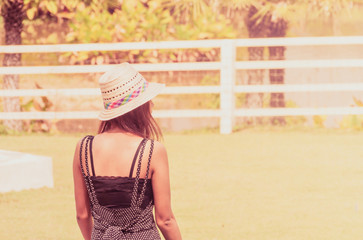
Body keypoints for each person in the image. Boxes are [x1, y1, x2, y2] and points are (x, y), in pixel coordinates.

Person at [73, 62, 182, 240]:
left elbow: (82, 215)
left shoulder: (83, 148)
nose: (151, 105)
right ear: (140, 107)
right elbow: (165, 220)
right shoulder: (152, 150)